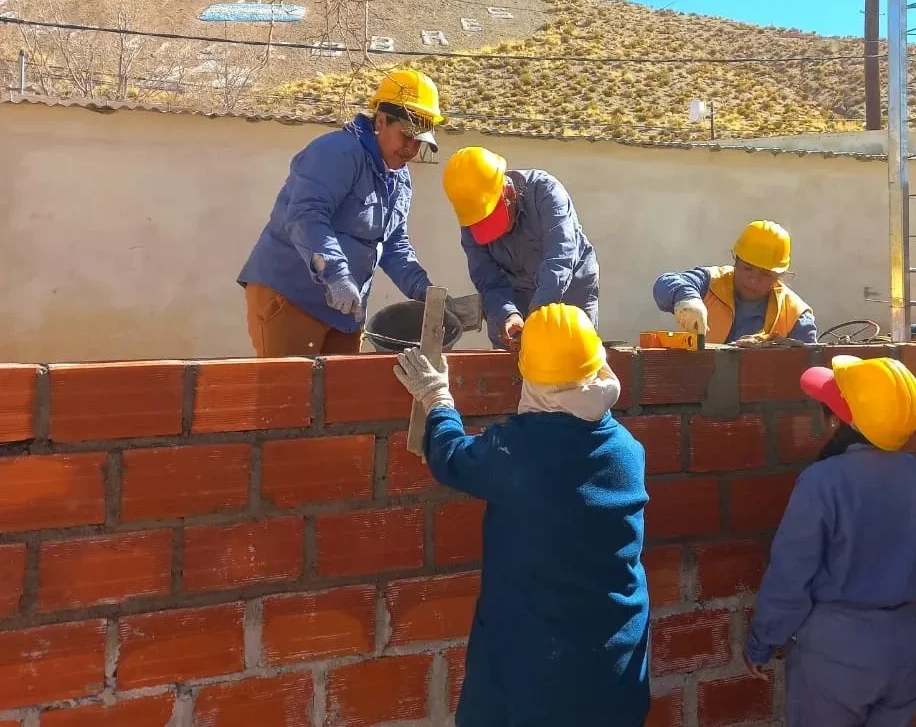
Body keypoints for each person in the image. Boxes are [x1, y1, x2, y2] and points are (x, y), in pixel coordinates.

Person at [392, 303, 650, 727]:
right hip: (615, 667)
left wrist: (437, 398)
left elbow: (452, 457)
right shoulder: (626, 449)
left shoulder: (516, 452)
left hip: (535, 673)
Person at [745, 355, 916, 727]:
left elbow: (790, 577)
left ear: (839, 421)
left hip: (835, 650)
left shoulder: (822, 481)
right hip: (904, 644)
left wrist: (762, 642)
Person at [237, 68, 455, 357]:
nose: (411, 149)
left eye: (419, 142)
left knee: (343, 386)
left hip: (344, 312)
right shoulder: (337, 151)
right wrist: (337, 275)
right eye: (406, 136)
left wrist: (425, 292)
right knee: (291, 386)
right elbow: (306, 215)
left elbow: (393, 244)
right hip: (291, 298)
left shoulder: (399, 179)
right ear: (381, 121)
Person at [442, 146, 599, 350]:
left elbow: (560, 259)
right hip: (515, 293)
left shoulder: (546, 192)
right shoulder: (471, 220)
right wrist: (508, 312)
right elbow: (489, 281)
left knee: (574, 353)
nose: (496, 234)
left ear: (508, 192)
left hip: (571, 287)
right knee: (511, 356)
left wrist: (538, 312)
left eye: (493, 220)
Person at [652, 220, 817, 345]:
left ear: (779, 276)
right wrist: (688, 299)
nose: (753, 279)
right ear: (736, 261)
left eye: (765, 274)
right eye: (747, 268)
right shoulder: (710, 282)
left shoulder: (795, 315)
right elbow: (664, 284)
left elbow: (810, 370)